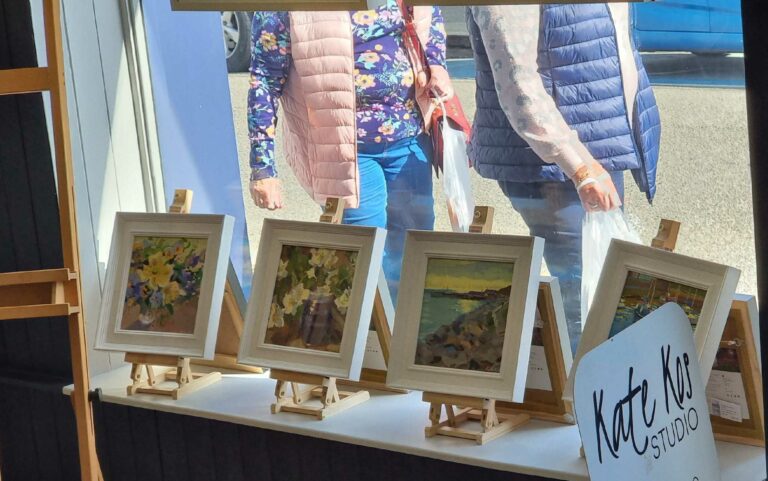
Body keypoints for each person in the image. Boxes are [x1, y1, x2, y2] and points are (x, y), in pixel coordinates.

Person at [466, 4, 661, 350]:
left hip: (596, 147)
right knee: (583, 300)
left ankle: (596, 374)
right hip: (556, 163)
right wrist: (579, 167)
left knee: (605, 289)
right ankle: (580, 380)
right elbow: (517, 81)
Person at [247, 3, 454, 302]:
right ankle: (371, 327)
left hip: (409, 137)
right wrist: (263, 167)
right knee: (362, 254)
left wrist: (437, 64)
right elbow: (264, 82)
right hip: (344, 150)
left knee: (414, 248)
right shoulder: (284, 7)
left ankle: (406, 324)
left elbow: (428, 15)